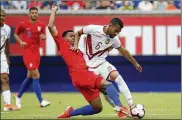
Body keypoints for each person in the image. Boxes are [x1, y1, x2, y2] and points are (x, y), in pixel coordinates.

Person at [48, 4, 131, 119]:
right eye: (70, 36)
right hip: (81, 75)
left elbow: (93, 56)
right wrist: (53, 10)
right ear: (64, 38)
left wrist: (107, 47)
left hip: (82, 78)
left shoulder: (80, 50)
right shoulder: (62, 44)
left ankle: (69, 113)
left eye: (74, 36)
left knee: (97, 108)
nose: (73, 37)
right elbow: (50, 26)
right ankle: (120, 107)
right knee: (108, 85)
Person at [72, 17, 142, 115]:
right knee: (105, 90)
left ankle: (131, 105)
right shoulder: (93, 29)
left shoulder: (114, 40)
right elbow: (78, 33)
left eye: (118, 31)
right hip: (89, 67)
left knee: (118, 78)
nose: (116, 33)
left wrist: (135, 63)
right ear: (110, 25)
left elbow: (124, 51)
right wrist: (75, 45)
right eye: (116, 30)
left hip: (102, 63)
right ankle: (118, 109)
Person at [14, 7, 50, 109]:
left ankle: (18, 96)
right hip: (27, 52)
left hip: (36, 53)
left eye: (35, 13)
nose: (34, 14)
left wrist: (44, 37)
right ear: (29, 14)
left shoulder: (41, 25)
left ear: (37, 14)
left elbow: (43, 35)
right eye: (32, 13)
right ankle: (41, 101)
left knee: (30, 76)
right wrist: (20, 42)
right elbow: (16, 34)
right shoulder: (23, 24)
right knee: (36, 74)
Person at [0, 9, 19, 111]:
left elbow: (7, 44)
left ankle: (7, 104)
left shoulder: (7, 28)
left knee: (5, 78)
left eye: (3, 16)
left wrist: (7, 57)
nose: (2, 17)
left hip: (2, 55)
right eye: (0, 16)